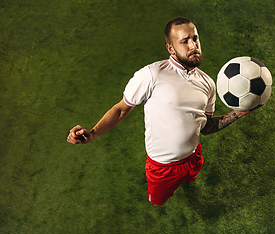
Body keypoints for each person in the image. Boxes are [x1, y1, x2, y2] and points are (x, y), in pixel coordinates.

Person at [67, 17, 250, 206]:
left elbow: (207, 126)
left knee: (191, 177)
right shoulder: (151, 75)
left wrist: (239, 113)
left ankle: (188, 178)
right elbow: (121, 109)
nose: (193, 46)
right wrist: (93, 133)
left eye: (195, 38)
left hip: (193, 156)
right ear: (171, 48)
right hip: (162, 167)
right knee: (157, 201)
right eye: (184, 41)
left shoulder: (208, 83)